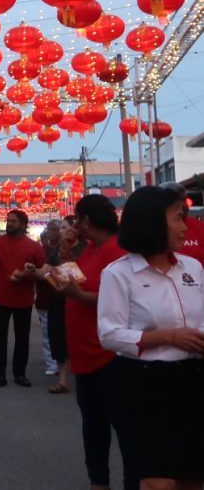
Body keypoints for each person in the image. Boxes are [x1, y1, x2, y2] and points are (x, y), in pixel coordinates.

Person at [98, 185, 204, 489]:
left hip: (193, 380)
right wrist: (168, 337)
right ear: (152, 221)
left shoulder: (193, 269)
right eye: (178, 218)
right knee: (157, 482)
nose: (185, 226)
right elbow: (110, 334)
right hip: (143, 385)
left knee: (191, 479)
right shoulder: (119, 274)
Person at [64, 194, 137, 490]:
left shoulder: (118, 250)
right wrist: (65, 251)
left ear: (86, 221)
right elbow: (73, 277)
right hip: (85, 353)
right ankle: (99, 482)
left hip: (109, 353)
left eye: (77, 219)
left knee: (122, 426)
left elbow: (127, 297)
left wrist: (80, 297)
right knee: (93, 425)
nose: (75, 225)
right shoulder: (91, 248)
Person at [0, 209, 45, 388]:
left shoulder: (34, 247)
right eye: (8, 220)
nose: (9, 223)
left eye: (13, 221)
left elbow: (43, 271)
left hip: (24, 299)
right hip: (0, 298)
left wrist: (25, 275)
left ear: (23, 224)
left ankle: (20, 374)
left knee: (22, 338)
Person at [36, 219, 63, 378]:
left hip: (65, 296)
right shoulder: (42, 249)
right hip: (46, 296)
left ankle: (63, 361)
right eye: (49, 229)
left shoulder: (68, 249)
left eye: (53, 229)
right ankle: (52, 363)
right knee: (47, 333)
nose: (49, 231)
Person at [161, 181, 204, 264]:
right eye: (174, 201)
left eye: (183, 199)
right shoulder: (153, 229)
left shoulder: (199, 227)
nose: (182, 205)